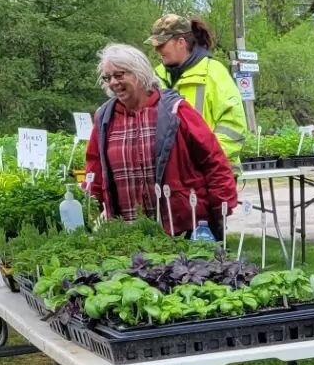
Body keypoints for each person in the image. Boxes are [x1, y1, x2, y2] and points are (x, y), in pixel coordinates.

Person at [84, 44, 237, 237]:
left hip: (182, 226)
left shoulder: (175, 110)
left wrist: (219, 210)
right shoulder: (104, 118)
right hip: (128, 231)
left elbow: (214, 161)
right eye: (107, 78)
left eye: (120, 75)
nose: (113, 83)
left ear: (140, 73)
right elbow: (94, 171)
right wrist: (88, 209)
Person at [148, 14, 249, 166]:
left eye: (161, 44)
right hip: (172, 177)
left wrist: (202, 160)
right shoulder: (155, 76)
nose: (156, 50)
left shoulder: (214, 72)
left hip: (212, 175)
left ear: (180, 42)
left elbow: (234, 127)